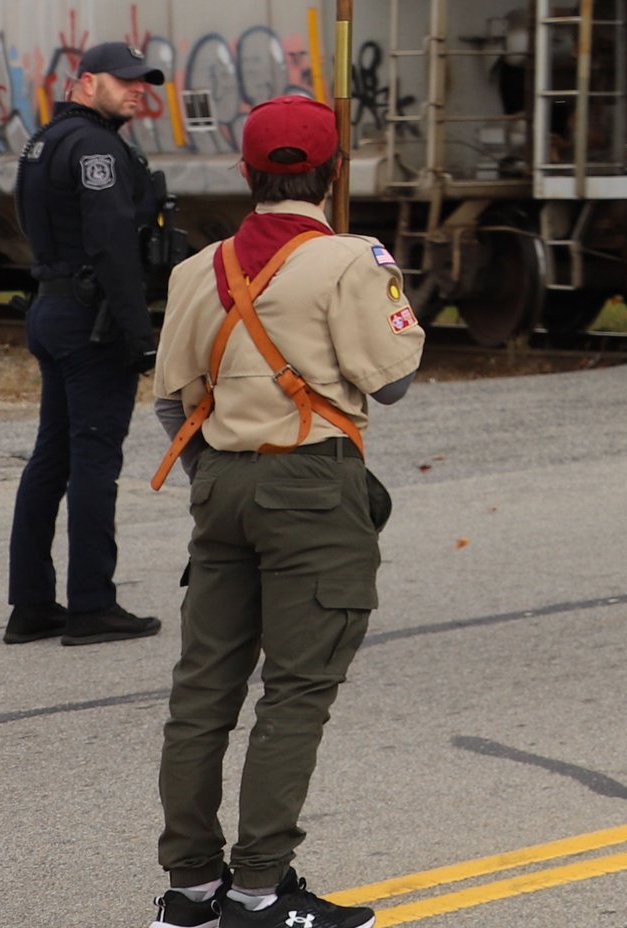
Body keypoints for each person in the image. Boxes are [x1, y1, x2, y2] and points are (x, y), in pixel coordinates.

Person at [146, 94, 424, 928]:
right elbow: (393, 381)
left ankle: (191, 889)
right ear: (333, 173)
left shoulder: (198, 270)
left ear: (246, 173)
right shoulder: (351, 260)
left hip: (220, 486)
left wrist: (218, 474)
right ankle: (261, 889)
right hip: (310, 483)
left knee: (202, 696)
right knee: (295, 694)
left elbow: (169, 404)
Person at [5, 39, 174, 646]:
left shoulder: (44, 141)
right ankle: (92, 605)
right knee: (95, 462)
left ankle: (30, 605)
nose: (137, 90)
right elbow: (110, 244)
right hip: (89, 321)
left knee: (52, 457)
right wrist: (139, 333)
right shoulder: (97, 147)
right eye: (125, 80)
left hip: (52, 308)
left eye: (144, 82)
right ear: (86, 81)